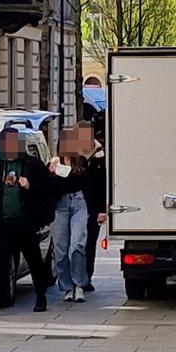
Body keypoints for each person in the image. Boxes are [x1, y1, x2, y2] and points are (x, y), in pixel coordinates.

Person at [0, 129, 55, 315]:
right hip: (3, 224)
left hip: (26, 223)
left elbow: (49, 189)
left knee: (34, 261)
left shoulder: (32, 165)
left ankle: (41, 297)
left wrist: (30, 186)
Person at [50, 125, 93, 303]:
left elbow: (88, 184)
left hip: (78, 202)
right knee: (60, 249)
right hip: (60, 205)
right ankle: (67, 286)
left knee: (77, 245)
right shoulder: (54, 163)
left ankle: (79, 284)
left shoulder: (81, 161)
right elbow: (52, 190)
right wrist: (53, 174)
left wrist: (96, 209)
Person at [83, 124, 107, 290]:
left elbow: (103, 184)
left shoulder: (100, 156)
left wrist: (102, 209)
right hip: (75, 204)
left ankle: (86, 278)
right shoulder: (72, 154)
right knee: (76, 245)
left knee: (89, 244)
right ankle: (77, 278)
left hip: (93, 207)